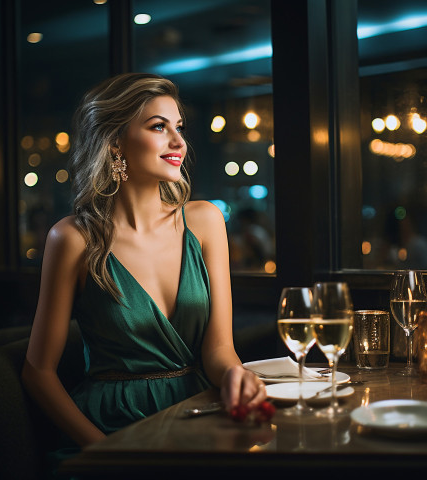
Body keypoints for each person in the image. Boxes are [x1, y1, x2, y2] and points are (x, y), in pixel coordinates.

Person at [21, 73, 266, 451]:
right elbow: (38, 373)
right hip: (111, 427)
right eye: (158, 126)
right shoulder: (72, 239)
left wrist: (237, 376)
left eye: (179, 128)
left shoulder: (204, 222)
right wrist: (103, 451)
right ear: (115, 142)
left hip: (197, 413)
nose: (178, 142)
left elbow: (218, 350)